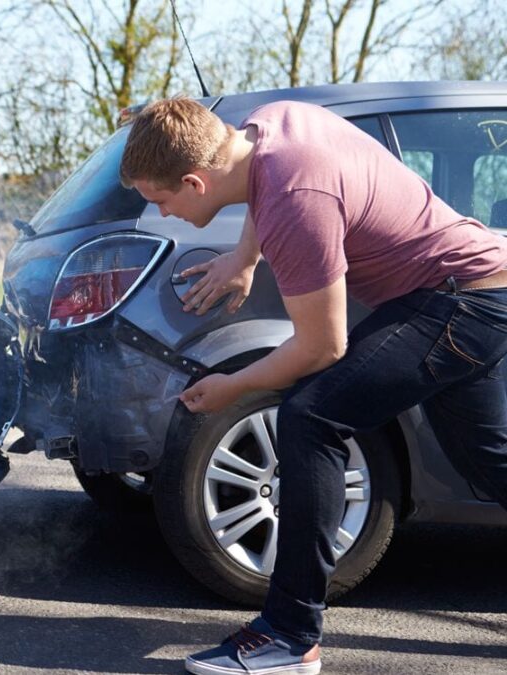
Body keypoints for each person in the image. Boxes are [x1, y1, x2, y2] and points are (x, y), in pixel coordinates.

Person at [120, 97, 507, 675]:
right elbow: (264, 185)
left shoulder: (295, 200)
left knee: (312, 416)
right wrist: (245, 257)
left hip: (460, 302)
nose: (164, 213)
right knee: (490, 462)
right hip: (480, 285)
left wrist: (234, 387)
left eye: (162, 200)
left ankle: (289, 635)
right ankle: (288, 634)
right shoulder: (271, 126)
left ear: (196, 182)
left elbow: (323, 347)